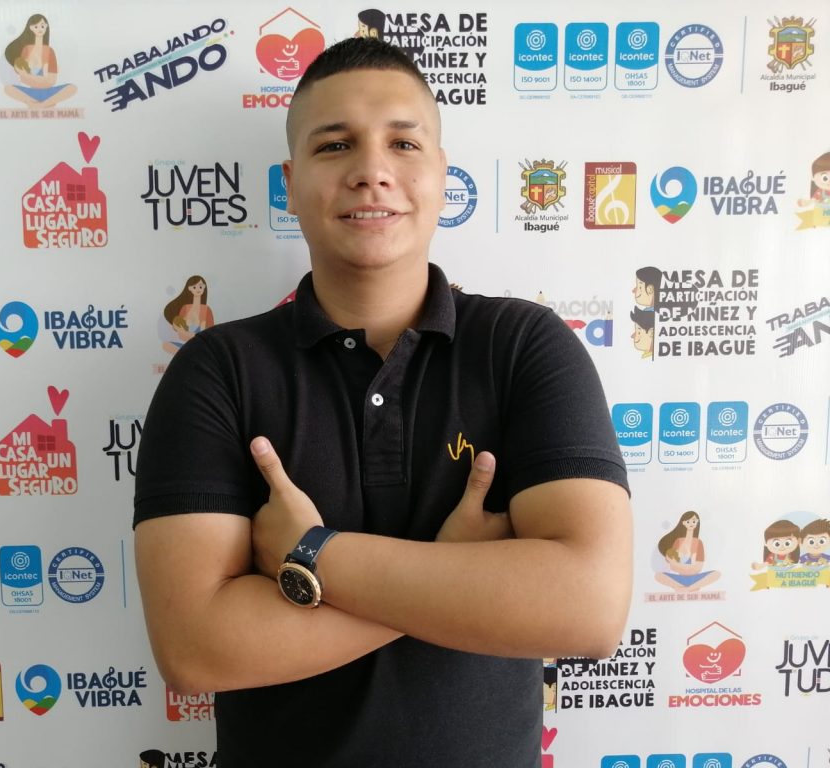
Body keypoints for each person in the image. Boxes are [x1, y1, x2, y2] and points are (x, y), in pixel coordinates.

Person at [134, 37, 631, 767]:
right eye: (335, 145)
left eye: (403, 143)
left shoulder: (523, 345)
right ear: (289, 182)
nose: (371, 171)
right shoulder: (219, 370)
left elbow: (586, 609)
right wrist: (456, 576)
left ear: (442, 174)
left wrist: (313, 555)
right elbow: (195, 649)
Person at [1, 14, 77, 109]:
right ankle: (37, 103)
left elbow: (51, 81)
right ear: (31, 28)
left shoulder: (50, 51)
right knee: (8, 88)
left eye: (42, 26)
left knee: (71, 88)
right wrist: (40, 79)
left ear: (46, 27)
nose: (39, 29)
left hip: (49, 93)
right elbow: (23, 79)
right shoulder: (26, 50)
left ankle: (40, 105)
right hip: (30, 93)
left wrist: (29, 76)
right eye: (36, 26)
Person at [654, 511, 720, 592]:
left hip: (695, 579)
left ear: (697, 523)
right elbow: (672, 567)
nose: (691, 523)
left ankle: (686, 588)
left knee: (716, 574)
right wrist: (688, 567)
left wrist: (678, 565)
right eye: (688, 522)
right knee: (658, 575)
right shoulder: (678, 541)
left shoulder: (698, 543)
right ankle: (692, 587)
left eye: (694, 521)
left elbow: (698, 568)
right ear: (683, 523)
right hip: (679, 579)